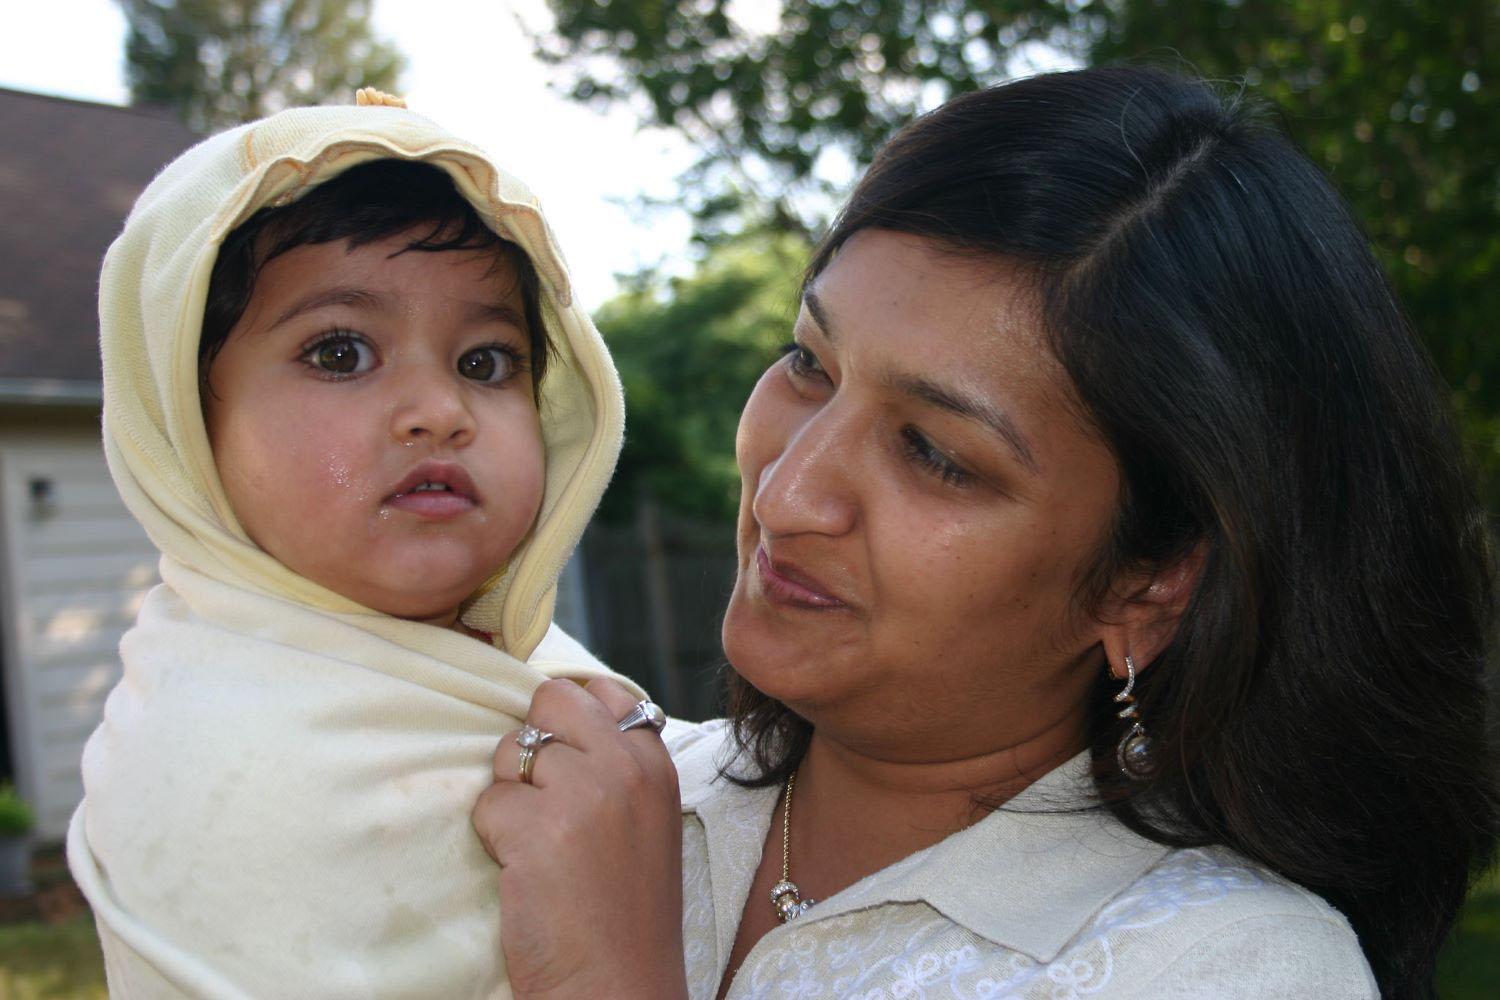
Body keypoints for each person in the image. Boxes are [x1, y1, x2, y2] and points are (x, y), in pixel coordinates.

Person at [471, 66, 1500, 1000]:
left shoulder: (1227, 967)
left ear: (1146, 581)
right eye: (808, 363)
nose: (787, 493)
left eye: (935, 453)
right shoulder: (602, 790)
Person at [67, 92, 647, 997]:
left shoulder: (529, 666)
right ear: (187, 423)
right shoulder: (226, 770)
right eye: (341, 353)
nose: (440, 412)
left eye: (485, 361)